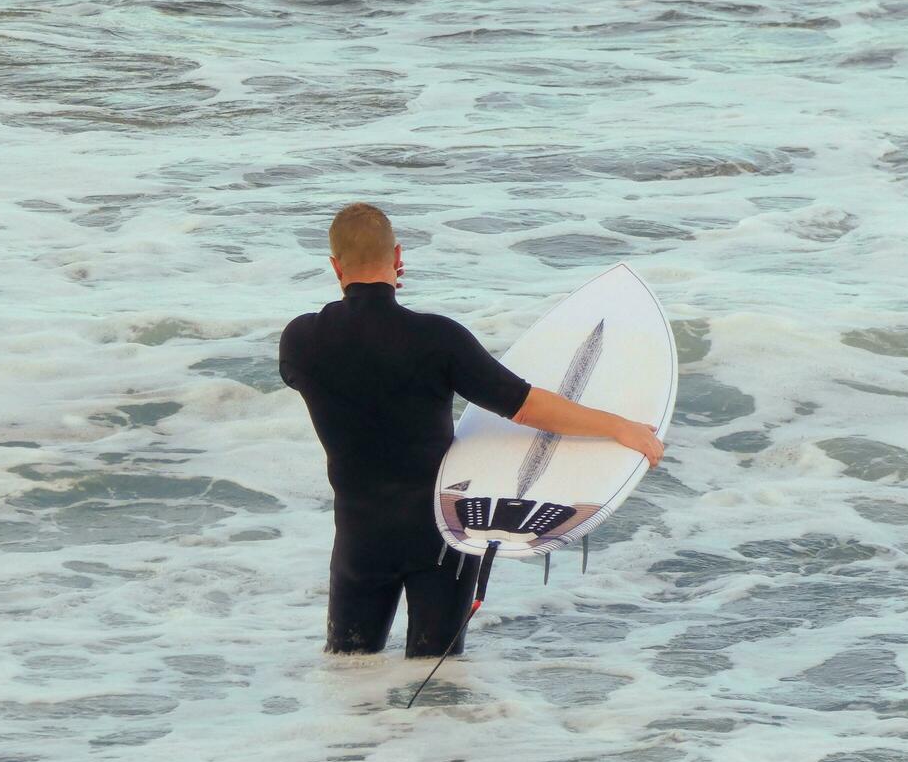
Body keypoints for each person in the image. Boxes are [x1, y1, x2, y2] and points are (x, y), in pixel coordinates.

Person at [278, 203, 664, 658]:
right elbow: (525, 406)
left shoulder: (301, 341)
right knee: (437, 676)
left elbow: (347, 367)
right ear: (398, 256)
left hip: (360, 541)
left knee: (349, 669)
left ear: (334, 266)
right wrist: (619, 427)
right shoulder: (437, 338)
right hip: (440, 536)